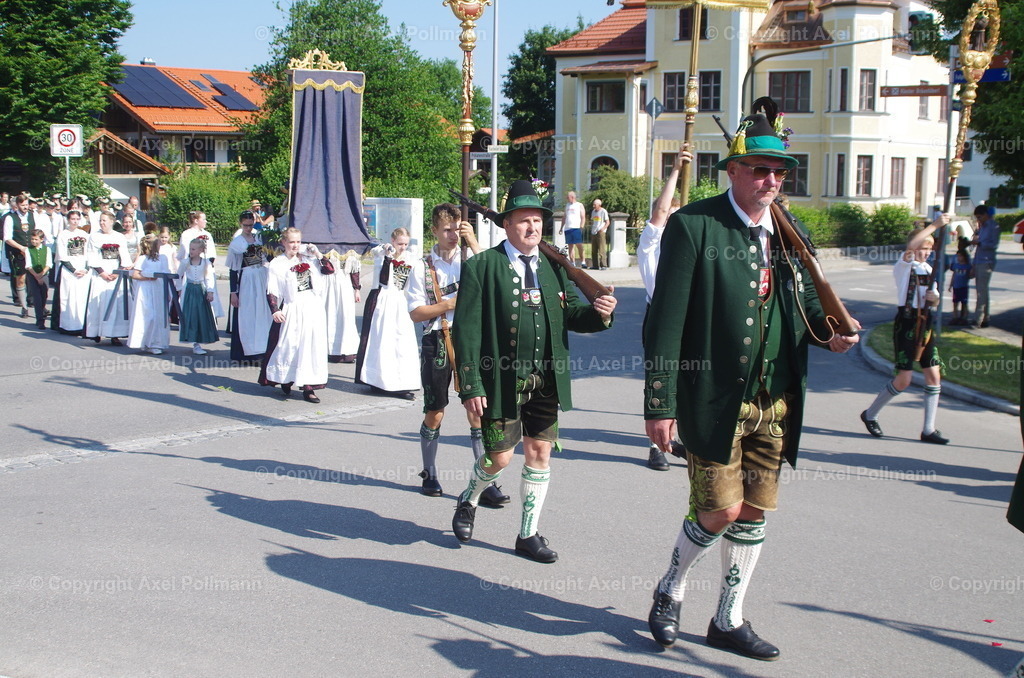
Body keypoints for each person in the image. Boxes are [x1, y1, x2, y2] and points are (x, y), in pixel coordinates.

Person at [643, 108, 859, 659]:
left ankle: (728, 618)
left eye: (779, 172)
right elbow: (665, 322)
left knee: (755, 510)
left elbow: (806, 301)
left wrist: (831, 332)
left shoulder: (789, 230)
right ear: (733, 170)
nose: (771, 181)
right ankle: (670, 588)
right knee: (718, 511)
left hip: (777, 399)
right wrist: (659, 403)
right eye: (760, 169)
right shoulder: (695, 226)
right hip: (712, 397)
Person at [449, 181, 617, 563]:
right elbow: (467, 331)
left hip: (546, 380)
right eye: (524, 221)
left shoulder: (555, 268)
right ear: (506, 225)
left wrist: (600, 312)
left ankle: (527, 534)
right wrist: (470, 383)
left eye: (538, 220)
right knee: (499, 458)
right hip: (500, 380)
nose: (532, 228)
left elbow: (572, 314)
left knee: (540, 452)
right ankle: (469, 498)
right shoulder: (482, 267)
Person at [407, 205, 509, 505]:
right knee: (435, 410)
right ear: (435, 231)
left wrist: (474, 242)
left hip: (470, 339)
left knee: (477, 411)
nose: (453, 235)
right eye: (447, 230)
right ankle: (429, 473)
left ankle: (486, 481)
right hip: (436, 338)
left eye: (457, 229)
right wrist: (449, 304)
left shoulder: (470, 259)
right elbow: (416, 313)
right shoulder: (421, 266)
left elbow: (495, 275)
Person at [861, 216, 951, 445]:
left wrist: (935, 298)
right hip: (908, 323)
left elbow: (934, 301)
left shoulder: (929, 269)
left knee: (933, 374)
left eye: (930, 248)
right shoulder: (905, 265)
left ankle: (928, 429)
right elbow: (911, 247)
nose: (927, 252)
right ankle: (870, 414)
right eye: (924, 247)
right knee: (904, 379)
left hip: (926, 323)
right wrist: (935, 226)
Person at [637, 142, 693, 471]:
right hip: (659, 317)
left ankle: (682, 438)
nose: (671, 219)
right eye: (670, 215)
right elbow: (659, 214)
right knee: (660, 380)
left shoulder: (691, 245)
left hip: (689, 318)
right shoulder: (652, 245)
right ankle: (655, 446)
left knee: (690, 378)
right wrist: (675, 170)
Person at [258, 227, 335, 403]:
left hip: (312, 308)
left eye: (298, 242)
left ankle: (308, 387)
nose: (295, 245)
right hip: (293, 307)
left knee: (311, 347)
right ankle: (287, 378)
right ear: (283, 242)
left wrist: (317, 253)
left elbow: (329, 270)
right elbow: (272, 290)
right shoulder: (278, 263)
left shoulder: (309, 259)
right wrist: (275, 310)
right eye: (291, 242)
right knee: (290, 345)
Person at [355, 228, 420, 398]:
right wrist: (387, 253)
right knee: (381, 340)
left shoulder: (410, 258)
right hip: (382, 300)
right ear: (392, 240)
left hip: (400, 301)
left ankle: (401, 382)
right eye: (400, 243)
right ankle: (377, 380)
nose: (403, 247)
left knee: (401, 342)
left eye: (405, 244)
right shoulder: (381, 253)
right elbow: (377, 256)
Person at [226, 211, 272, 363]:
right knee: (248, 313)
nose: (248, 228)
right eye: (245, 225)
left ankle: (263, 348)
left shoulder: (258, 238)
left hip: (260, 275)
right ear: (241, 224)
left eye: (251, 225)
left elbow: (266, 257)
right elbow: (233, 269)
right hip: (247, 278)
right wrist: (234, 292)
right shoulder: (237, 243)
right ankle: (249, 350)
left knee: (262, 312)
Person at [84, 211, 132, 345]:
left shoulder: (119, 237)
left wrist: (118, 272)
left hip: (115, 273)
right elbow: (92, 256)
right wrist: (102, 272)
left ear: (112, 222)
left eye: (104, 220)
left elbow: (124, 256)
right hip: (101, 274)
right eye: (100, 220)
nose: (102, 223)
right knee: (99, 302)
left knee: (115, 304)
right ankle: (96, 331)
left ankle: (114, 334)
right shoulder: (94, 236)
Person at [127, 234, 172, 355]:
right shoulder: (143, 259)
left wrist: (168, 291)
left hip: (159, 288)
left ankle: (156, 343)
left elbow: (166, 273)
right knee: (148, 315)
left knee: (158, 316)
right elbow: (135, 274)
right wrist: (148, 277)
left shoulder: (163, 258)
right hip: (146, 289)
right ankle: (145, 341)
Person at [178, 210, 224, 320]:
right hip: (192, 270)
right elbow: (185, 253)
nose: (205, 221)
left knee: (209, 298)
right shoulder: (187, 234)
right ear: (196, 220)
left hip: (206, 268)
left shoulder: (207, 234)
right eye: (203, 219)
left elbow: (212, 253)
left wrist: (208, 263)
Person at [51, 209, 91, 334]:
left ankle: (81, 325)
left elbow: (89, 253)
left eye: (77, 219)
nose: (75, 221)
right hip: (69, 271)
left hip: (83, 270)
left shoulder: (85, 235)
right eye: (72, 219)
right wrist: (73, 270)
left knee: (81, 298)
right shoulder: (63, 234)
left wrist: (85, 269)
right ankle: (68, 325)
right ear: (68, 220)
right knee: (68, 298)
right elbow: (62, 255)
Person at [178, 238, 219, 355]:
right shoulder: (185, 262)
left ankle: (199, 341)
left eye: (193, 249)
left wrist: (210, 291)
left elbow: (209, 278)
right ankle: (193, 340)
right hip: (189, 290)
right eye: (190, 248)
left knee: (201, 315)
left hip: (201, 290)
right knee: (191, 315)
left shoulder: (206, 263)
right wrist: (179, 289)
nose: (191, 251)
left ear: (201, 250)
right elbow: (178, 275)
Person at [324, 249, 361, 363]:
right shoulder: (325, 247)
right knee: (330, 315)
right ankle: (330, 351)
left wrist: (356, 289)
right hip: (328, 284)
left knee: (346, 317)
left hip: (345, 284)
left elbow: (354, 271)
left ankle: (347, 351)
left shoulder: (350, 248)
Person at [3, 194, 35, 317]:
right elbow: (7, 238)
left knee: (35, 278)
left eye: (26, 204)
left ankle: (37, 305)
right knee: (20, 279)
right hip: (18, 253)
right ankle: (24, 307)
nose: (25, 207)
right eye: (22, 205)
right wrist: (21, 247)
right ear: (17, 205)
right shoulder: (10, 218)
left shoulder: (32, 216)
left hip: (32, 251)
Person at [971, 204, 999, 328]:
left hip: (986, 261)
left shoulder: (993, 226)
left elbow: (993, 245)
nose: (978, 219)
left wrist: (980, 242)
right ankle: (985, 318)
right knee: (982, 290)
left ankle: (978, 318)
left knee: (981, 292)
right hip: (979, 260)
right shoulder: (981, 227)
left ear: (986, 215)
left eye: (979, 217)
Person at [24, 229, 51, 329]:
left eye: (36, 239)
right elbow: (28, 265)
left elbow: (49, 264)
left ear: (41, 239)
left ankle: (42, 311)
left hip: (43, 275)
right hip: (32, 275)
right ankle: (40, 320)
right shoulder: (28, 250)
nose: (34, 241)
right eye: (32, 239)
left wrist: (42, 274)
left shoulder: (46, 249)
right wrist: (36, 276)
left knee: (44, 295)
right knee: (37, 298)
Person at [559, 191, 586, 267]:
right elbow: (564, 217)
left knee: (579, 245)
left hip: (576, 227)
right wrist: (561, 227)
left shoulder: (579, 205)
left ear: (572, 197)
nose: (567, 199)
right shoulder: (567, 205)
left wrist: (582, 226)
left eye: (568, 197)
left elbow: (583, 216)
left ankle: (583, 261)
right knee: (570, 246)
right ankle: (572, 262)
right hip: (568, 228)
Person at [948, 248, 973, 326]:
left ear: (964, 257)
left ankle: (964, 317)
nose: (959, 258)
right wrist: (950, 285)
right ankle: (955, 317)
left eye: (960, 256)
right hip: (956, 287)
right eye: (958, 256)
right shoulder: (956, 266)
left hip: (964, 287)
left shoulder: (967, 266)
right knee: (955, 302)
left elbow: (970, 275)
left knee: (964, 303)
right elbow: (954, 275)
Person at [589, 198, 610, 270]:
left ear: (599, 205)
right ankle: (595, 265)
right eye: (593, 204)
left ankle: (603, 265)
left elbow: (607, 222)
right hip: (594, 232)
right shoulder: (593, 212)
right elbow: (593, 221)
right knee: (594, 250)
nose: (593, 206)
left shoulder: (603, 211)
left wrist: (603, 229)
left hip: (601, 232)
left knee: (601, 249)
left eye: (595, 204)